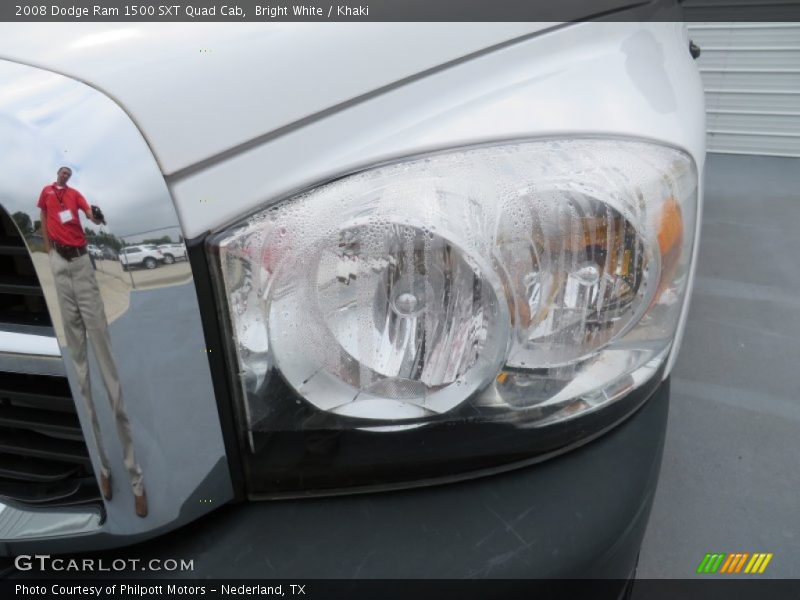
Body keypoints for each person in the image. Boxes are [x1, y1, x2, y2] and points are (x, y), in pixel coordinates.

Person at [38, 166, 147, 518]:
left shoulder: (76, 196)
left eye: (69, 172)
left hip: (82, 266)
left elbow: (91, 216)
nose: (65, 175)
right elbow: (42, 217)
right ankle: (103, 467)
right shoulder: (46, 193)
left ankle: (135, 479)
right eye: (62, 171)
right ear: (57, 174)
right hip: (59, 266)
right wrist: (49, 251)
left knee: (108, 373)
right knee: (81, 374)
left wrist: (97, 215)